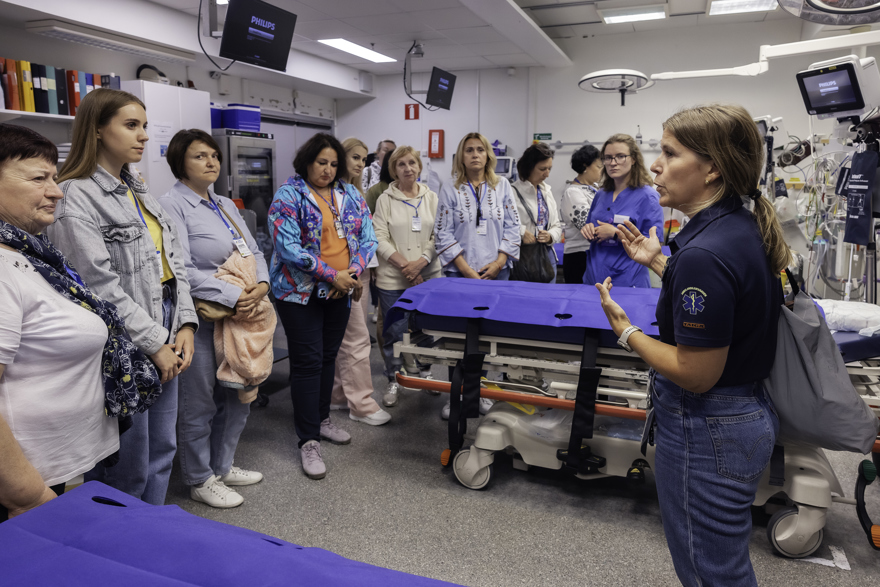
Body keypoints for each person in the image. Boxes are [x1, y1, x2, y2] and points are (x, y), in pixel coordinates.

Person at [594, 104, 789, 586]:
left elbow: (696, 372)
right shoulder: (735, 228)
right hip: (739, 416)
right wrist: (660, 265)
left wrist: (626, 331)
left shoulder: (705, 252)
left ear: (713, 168)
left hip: (709, 426)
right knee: (721, 566)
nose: (655, 165)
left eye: (669, 152)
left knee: (709, 574)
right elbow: (726, 310)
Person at [0, 124, 158, 521]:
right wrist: (28, 495)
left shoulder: (35, 253)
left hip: (47, 473)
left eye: (54, 177)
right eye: (39, 179)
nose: (56, 191)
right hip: (21, 490)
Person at [49, 88, 198, 506]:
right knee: (127, 466)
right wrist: (154, 342)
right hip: (123, 339)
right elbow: (97, 287)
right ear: (97, 130)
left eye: (145, 126)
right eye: (131, 126)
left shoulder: (138, 187)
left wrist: (185, 323)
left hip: (166, 320)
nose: (144, 136)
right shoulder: (75, 195)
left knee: (161, 451)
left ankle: (151, 536)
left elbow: (174, 262)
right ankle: (121, 556)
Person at [157, 129, 270, 508]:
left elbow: (252, 248)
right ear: (180, 163)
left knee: (239, 391)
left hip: (240, 316)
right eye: (199, 156)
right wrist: (234, 294)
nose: (211, 163)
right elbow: (180, 268)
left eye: (214, 156)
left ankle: (223, 465)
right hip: (202, 317)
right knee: (200, 401)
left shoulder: (224, 204)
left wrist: (263, 283)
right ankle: (199, 477)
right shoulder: (171, 205)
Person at [269, 133, 377, 480]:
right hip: (298, 293)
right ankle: (308, 440)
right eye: (322, 162)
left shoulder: (349, 194)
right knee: (308, 362)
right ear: (307, 162)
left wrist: (352, 273)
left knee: (328, 356)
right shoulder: (289, 195)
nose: (328, 170)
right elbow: (288, 248)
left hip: (341, 289)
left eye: (334, 164)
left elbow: (367, 238)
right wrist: (332, 275)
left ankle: (321, 418)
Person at [435, 132, 521, 419]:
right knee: (457, 338)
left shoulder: (503, 186)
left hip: (496, 273)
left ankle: (479, 389)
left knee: (486, 337)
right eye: (469, 150)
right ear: (461, 156)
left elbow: (513, 226)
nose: (474, 154)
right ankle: (455, 394)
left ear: (487, 155)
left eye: (480, 150)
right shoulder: (450, 188)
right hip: (460, 274)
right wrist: (466, 270)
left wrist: (498, 262)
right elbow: (442, 231)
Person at [328, 138, 390, 426]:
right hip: (332, 274)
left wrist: (364, 268)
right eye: (354, 157)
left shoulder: (353, 193)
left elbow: (367, 237)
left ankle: (342, 396)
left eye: (364, 159)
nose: (359, 163)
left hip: (357, 273)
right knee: (351, 338)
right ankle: (361, 403)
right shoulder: (322, 193)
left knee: (352, 336)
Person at [373, 146, 441, 407]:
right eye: (401, 164)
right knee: (395, 331)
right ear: (394, 170)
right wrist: (406, 267)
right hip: (393, 278)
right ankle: (395, 377)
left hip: (429, 276)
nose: (407, 168)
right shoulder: (385, 199)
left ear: (420, 166)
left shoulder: (432, 198)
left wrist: (421, 263)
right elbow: (379, 236)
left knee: (426, 329)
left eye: (412, 163)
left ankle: (426, 374)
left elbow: (440, 235)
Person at [582, 134, 663, 288]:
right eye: (608, 158)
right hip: (594, 278)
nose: (613, 163)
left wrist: (616, 234)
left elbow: (655, 243)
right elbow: (592, 228)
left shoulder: (648, 196)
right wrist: (588, 230)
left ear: (633, 159)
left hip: (627, 280)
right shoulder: (600, 194)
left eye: (620, 157)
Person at [511, 142, 563, 281]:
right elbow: (503, 224)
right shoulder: (512, 192)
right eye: (542, 169)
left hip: (546, 255)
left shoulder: (546, 191)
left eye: (549, 169)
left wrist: (551, 235)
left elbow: (556, 225)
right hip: (523, 257)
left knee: (549, 299)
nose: (547, 174)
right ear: (529, 167)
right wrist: (521, 232)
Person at [560, 144, 603, 284]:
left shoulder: (595, 188)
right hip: (579, 256)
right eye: (598, 166)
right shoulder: (573, 192)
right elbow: (587, 225)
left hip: (594, 253)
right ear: (585, 166)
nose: (602, 171)